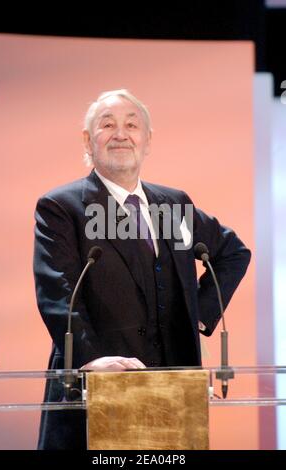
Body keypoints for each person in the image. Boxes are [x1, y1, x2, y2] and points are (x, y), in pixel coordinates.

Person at [33, 89, 251, 450]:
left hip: (172, 389)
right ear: (89, 140)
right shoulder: (61, 207)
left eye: (132, 125)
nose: (121, 133)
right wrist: (91, 360)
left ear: (147, 140)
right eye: (108, 124)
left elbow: (233, 252)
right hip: (97, 385)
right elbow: (57, 290)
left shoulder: (173, 203)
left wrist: (197, 313)